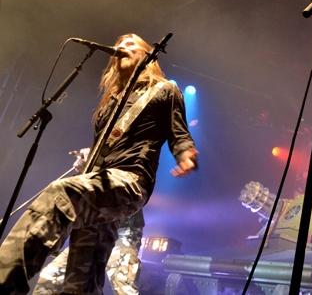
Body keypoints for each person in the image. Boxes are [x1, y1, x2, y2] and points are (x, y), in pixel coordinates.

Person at [0, 33, 198, 294]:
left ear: (147, 54)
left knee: (60, 195)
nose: (122, 47)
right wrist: (89, 156)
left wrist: (185, 154)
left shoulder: (164, 90)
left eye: (130, 44)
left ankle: (6, 282)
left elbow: (179, 133)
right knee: (83, 276)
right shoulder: (112, 101)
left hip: (129, 181)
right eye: (119, 45)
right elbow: (105, 145)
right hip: (99, 186)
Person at [33, 150, 145, 295]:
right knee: (50, 278)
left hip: (123, 232)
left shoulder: (122, 161)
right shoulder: (86, 176)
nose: (77, 164)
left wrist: (94, 160)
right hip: (93, 232)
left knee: (123, 283)